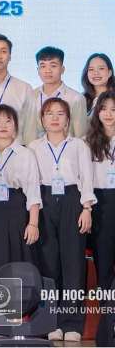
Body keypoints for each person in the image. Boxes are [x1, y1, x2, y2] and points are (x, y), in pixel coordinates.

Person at [29, 97, 95, 343]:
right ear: (42, 119)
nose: (55, 118)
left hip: (72, 200)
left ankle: (72, 323)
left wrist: (86, 208)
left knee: (73, 264)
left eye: (60, 114)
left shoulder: (79, 145)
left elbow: (86, 177)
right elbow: (30, 181)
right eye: (49, 113)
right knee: (48, 264)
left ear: (68, 120)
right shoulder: (33, 147)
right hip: (44, 201)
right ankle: (52, 321)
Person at [0, 104, 41, 279]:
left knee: (17, 260)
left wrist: (33, 223)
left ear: (16, 127)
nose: (3, 125)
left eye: (8, 121)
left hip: (17, 210)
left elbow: (33, 190)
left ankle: (18, 297)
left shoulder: (26, 154)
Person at [0, 34, 39, 144]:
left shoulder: (24, 88)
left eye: (3, 51)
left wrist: (28, 151)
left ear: (10, 56)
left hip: (17, 152)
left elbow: (31, 129)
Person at [86, 90, 115, 293]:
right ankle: (106, 300)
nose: (108, 114)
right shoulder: (87, 142)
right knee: (102, 253)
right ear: (97, 112)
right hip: (100, 201)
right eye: (104, 109)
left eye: (114, 109)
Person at [33, 46, 88, 137]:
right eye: (43, 66)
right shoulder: (30, 96)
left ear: (62, 69)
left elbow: (81, 136)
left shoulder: (76, 98)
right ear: (38, 70)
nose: (48, 71)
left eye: (53, 66)